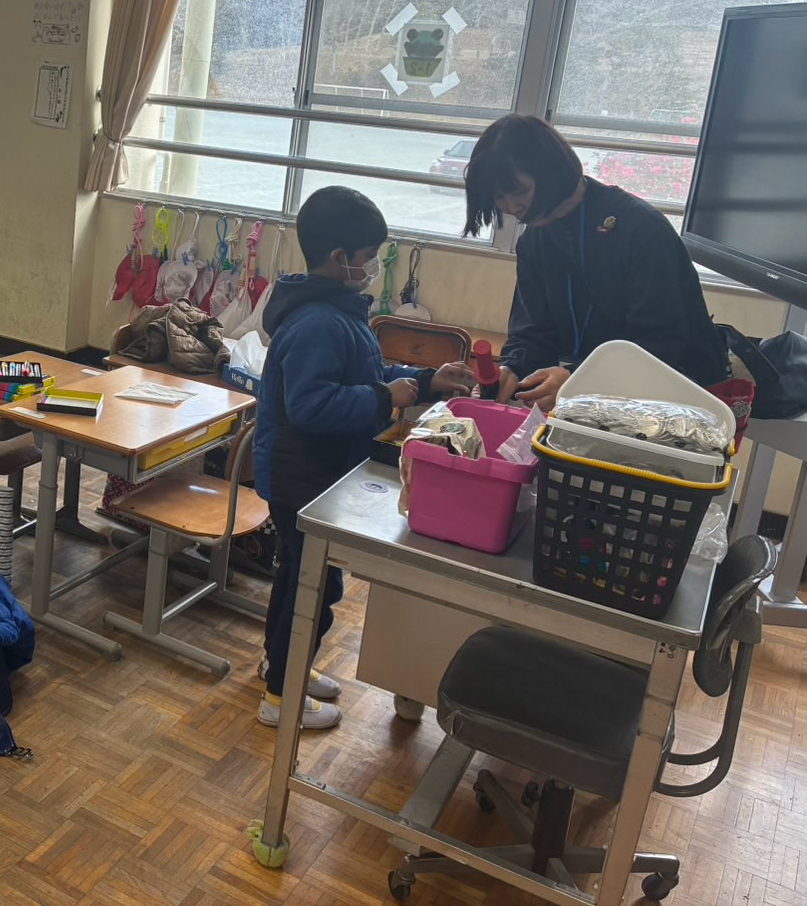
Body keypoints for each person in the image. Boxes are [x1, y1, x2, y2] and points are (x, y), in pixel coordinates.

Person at [253, 186, 473, 731]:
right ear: (340, 258)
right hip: (302, 478)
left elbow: (364, 376)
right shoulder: (317, 323)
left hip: (317, 475)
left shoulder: (337, 312)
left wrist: (423, 381)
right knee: (310, 587)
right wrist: (382, 398)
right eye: (370, 257)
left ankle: (282, 668)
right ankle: (280, 696)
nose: (374, 267)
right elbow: (311, 406)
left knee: (299, 580)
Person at [463, 115, 729, 412]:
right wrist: (512, 369)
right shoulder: (534, 242)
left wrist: (579, 380)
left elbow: (660, 344)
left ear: (551, 172)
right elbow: (534, 332)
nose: (512, 207)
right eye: (500, 198)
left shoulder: (642, 229)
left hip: (677, 398)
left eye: (520, 192)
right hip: (596, 397)